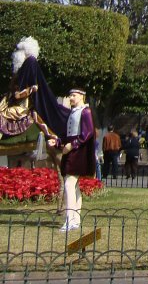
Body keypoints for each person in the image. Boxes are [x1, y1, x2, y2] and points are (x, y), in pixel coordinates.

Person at [49, 88, 96, 232]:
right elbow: (67, 134)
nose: (71, 98)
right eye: (70, 95)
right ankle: (75, 220)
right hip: (70, 151)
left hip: (78, 153)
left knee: (69, 184)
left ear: (82, 96)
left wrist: (73, 145)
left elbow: (88, 133)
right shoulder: (73, 112)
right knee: (73, 186)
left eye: (73, 95)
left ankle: (70, 219)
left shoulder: (85, 111)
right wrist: (57, 142)